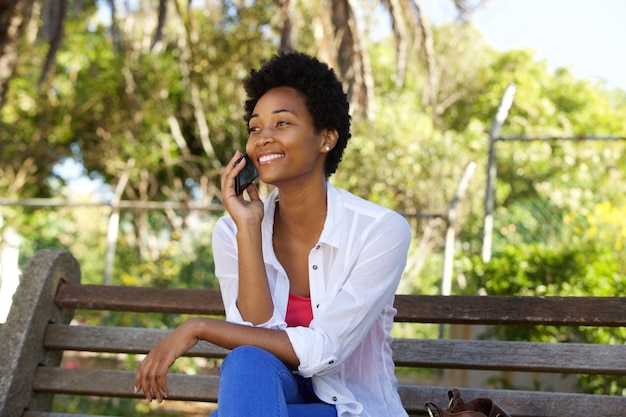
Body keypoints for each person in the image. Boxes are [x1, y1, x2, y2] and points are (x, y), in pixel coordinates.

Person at [134, 51, 412, 417]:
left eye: (282, 124)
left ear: (326, 138)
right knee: (247, 361)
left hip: (350, 405)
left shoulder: (379, 230)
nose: (262, 137)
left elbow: (324, 350)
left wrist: (199, 327)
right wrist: (249, 228)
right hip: (269, 395)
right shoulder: (232, 230)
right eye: (254, 127)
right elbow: (254, 340)